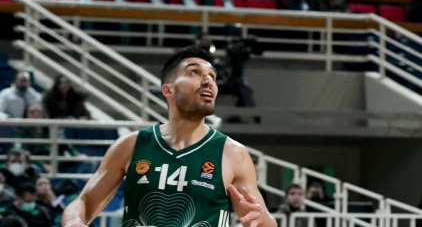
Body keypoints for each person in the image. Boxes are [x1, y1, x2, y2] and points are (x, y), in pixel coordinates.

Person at [59, 46, 275, 227]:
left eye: (212, 77)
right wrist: (73, 221)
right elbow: (85, 203)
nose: (208, 81)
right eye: (194, 73)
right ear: (168, 90)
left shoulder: (232, 153)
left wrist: (264, 220)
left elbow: (261, 220)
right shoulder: (131, 145)